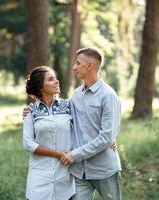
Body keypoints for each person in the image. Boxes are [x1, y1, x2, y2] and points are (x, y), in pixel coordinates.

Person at [60, 47, 122, 200]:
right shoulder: (76, 94)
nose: (74, 67)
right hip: (80, 171)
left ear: (90, 66)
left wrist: (74, 155)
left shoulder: (108, 96)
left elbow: (106, 137)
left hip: (104, 169)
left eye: (78, 63)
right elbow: (62, 115)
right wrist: (33, 110)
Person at [22, 66, 76, 200]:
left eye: (55, 78)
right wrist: (57, 154)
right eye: (51, 79)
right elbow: (28, 144)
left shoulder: (69, 106)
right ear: (41, 87)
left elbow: (85, 127)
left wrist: (110, 139)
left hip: (65, 174)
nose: (57, 81)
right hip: (39, 175)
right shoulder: (31, 111)